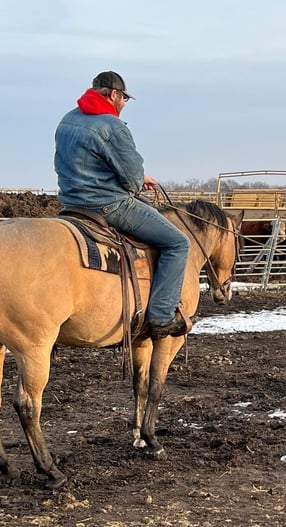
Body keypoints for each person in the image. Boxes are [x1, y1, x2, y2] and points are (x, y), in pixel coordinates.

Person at [54, 71, 191, 339]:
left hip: (71, 203)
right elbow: (130, 178)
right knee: (178, 243)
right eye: (125, 98)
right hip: (108, 205)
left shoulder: (67, 120)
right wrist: (139, 181)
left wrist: (140, 179)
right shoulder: (113, 126)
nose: (124, 104)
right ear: (114, 95)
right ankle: (162, 316)